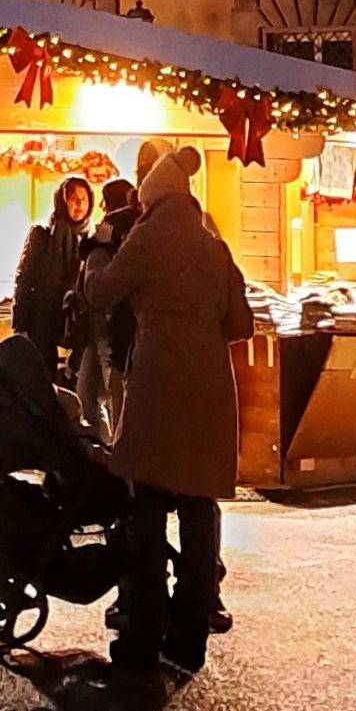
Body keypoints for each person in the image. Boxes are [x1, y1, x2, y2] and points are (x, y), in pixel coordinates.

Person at [78, 146, 252, 676]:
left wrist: (100, 253)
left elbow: (98, 293)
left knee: (147, 509)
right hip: (211, 392)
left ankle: (141, 631)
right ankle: (190, 637)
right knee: (199, 510)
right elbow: (241, 324)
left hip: (158, 383)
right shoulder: (214, 247)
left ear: (151, 200)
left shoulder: (147, 238)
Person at [71, 177, 141, 446]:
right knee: (90, 393)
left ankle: (112, 453)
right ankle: (103, 451)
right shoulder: (132, 226)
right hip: (100, 326)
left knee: (109, 393)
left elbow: (86, 249)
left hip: (112, 327)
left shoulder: (117, 225)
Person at [14, 175, 94, 374]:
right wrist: (20, 324)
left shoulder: (93, 239)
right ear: (62, 201)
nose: (79, 204)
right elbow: (25, 280)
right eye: (73, 198)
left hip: (77, 327)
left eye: (84, 198)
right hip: (44, 324)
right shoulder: (42, 235)